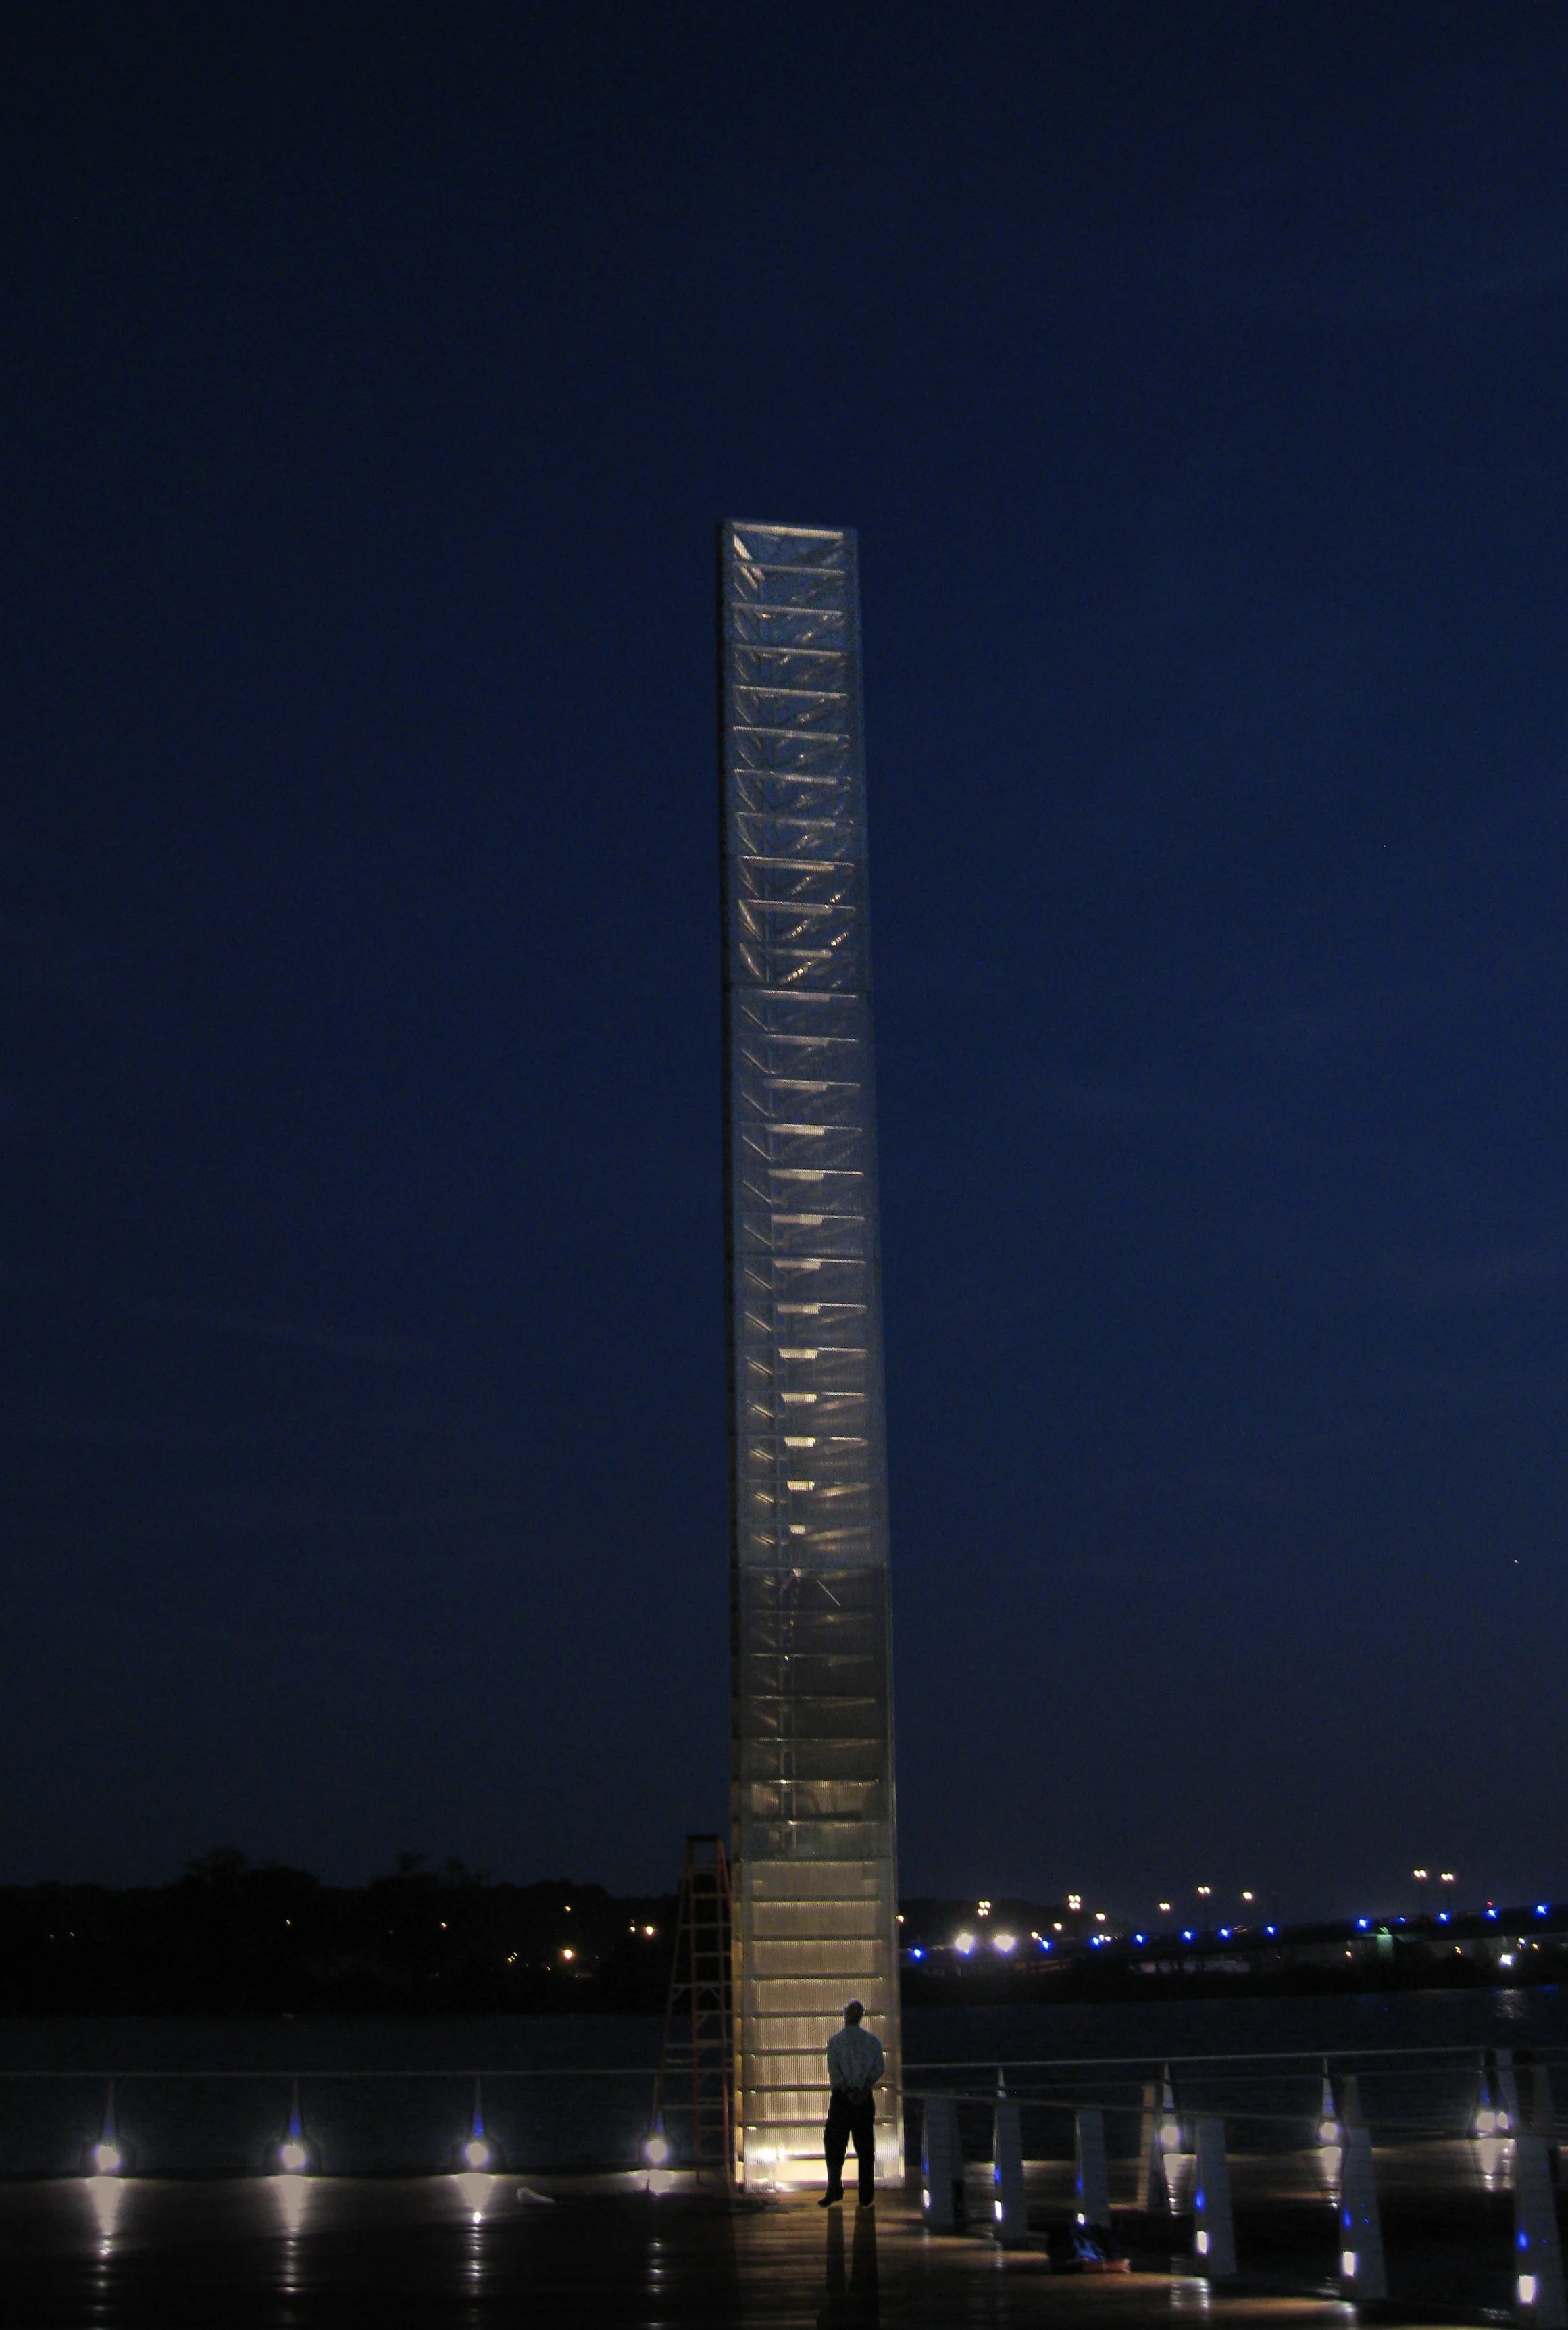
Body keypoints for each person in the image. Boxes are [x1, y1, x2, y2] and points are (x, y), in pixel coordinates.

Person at [820, 1999, 884, 2207]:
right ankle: (866, 2195)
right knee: (865, 2148)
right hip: (864, 2097)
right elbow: (878, 2069)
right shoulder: (873, 2041)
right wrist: (864, 2088)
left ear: (845, 2014)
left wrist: (847, 2090)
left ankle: (834, 2188)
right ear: (862, 2015)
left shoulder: (835, 2042)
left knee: (835, 2145)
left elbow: (834, 2071)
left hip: (842, 2098)